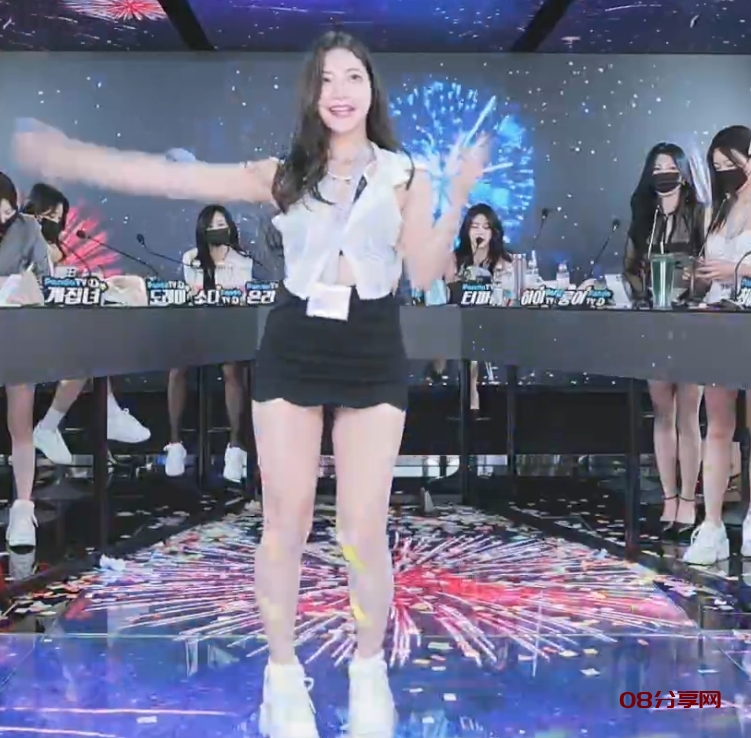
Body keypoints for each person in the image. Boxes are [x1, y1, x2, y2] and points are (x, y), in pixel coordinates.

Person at [12, 30, 486, 736]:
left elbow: (421, 269)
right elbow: (177, 179)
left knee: (362, 530)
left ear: (370, 89)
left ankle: (368, 672)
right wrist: (70, 158)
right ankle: (282, 676)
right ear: (311, 94)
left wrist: (459, 196)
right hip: (295, 344)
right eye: (326, 79)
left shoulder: (404, 174)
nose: (340, 91)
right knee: (285, 523)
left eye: (352, 77)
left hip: (372, 346)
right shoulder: (284, 174)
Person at [22, 183, 150, 466]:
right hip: (21, 330)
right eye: (49, 216)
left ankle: (109, 413)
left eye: (59, 218)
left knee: (94, 345)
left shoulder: (52, 249)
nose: (54, 223)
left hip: (50, 327)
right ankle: (48, 428)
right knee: (84, 356)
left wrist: (100, 285)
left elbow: (53, 287)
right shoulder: (21, 241)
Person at [623, 143, 705, 535]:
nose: (663, 174)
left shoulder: (699, 214)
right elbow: (630, 268)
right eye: (656, 168)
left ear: (684, 173)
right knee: (662, 413)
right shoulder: (644, 218)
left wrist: (690, 288)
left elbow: (707, 267)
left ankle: (689, 499)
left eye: (670, 167)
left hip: (692, 325)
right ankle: (668, 498)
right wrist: (643, 297)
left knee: (689, 413)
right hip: (653, 325)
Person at [683, 125, 751, 565]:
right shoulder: (719, 208)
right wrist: (700, 275)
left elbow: (735, 266)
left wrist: (738, 270)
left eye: (732, 162)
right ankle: (711, 526)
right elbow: (710, 267)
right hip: (718, 320)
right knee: (719, 425)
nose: (725, 171)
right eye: (718, 165)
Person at [165, 205, 250, 482]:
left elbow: (240, 297)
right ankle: (175, 443)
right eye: (211, 225)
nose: (217, 229)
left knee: (231, 369)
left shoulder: (242, 260)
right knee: (177, 367)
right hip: (197, 327)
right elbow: (193, 295)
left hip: (229, 328)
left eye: (221, 224)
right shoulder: (191, 258)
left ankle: (235, 446)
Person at [0, 172, 50, 548]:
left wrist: (29, 290)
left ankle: (23, 509)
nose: (3, 219)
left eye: (7, 212)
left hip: (17, 333)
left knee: (21, 423)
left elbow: (45, 279)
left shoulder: (28, 228)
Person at [446, 203, 511, 409]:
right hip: (460, 322)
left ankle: (474, 402)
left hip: (495, 321)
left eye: (485, 227)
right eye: (474, 227)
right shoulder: (455, 259)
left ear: (493, 231)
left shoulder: (503, 260)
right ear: (467, 231)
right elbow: (447, 292)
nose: (480, 232)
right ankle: (467, 401)